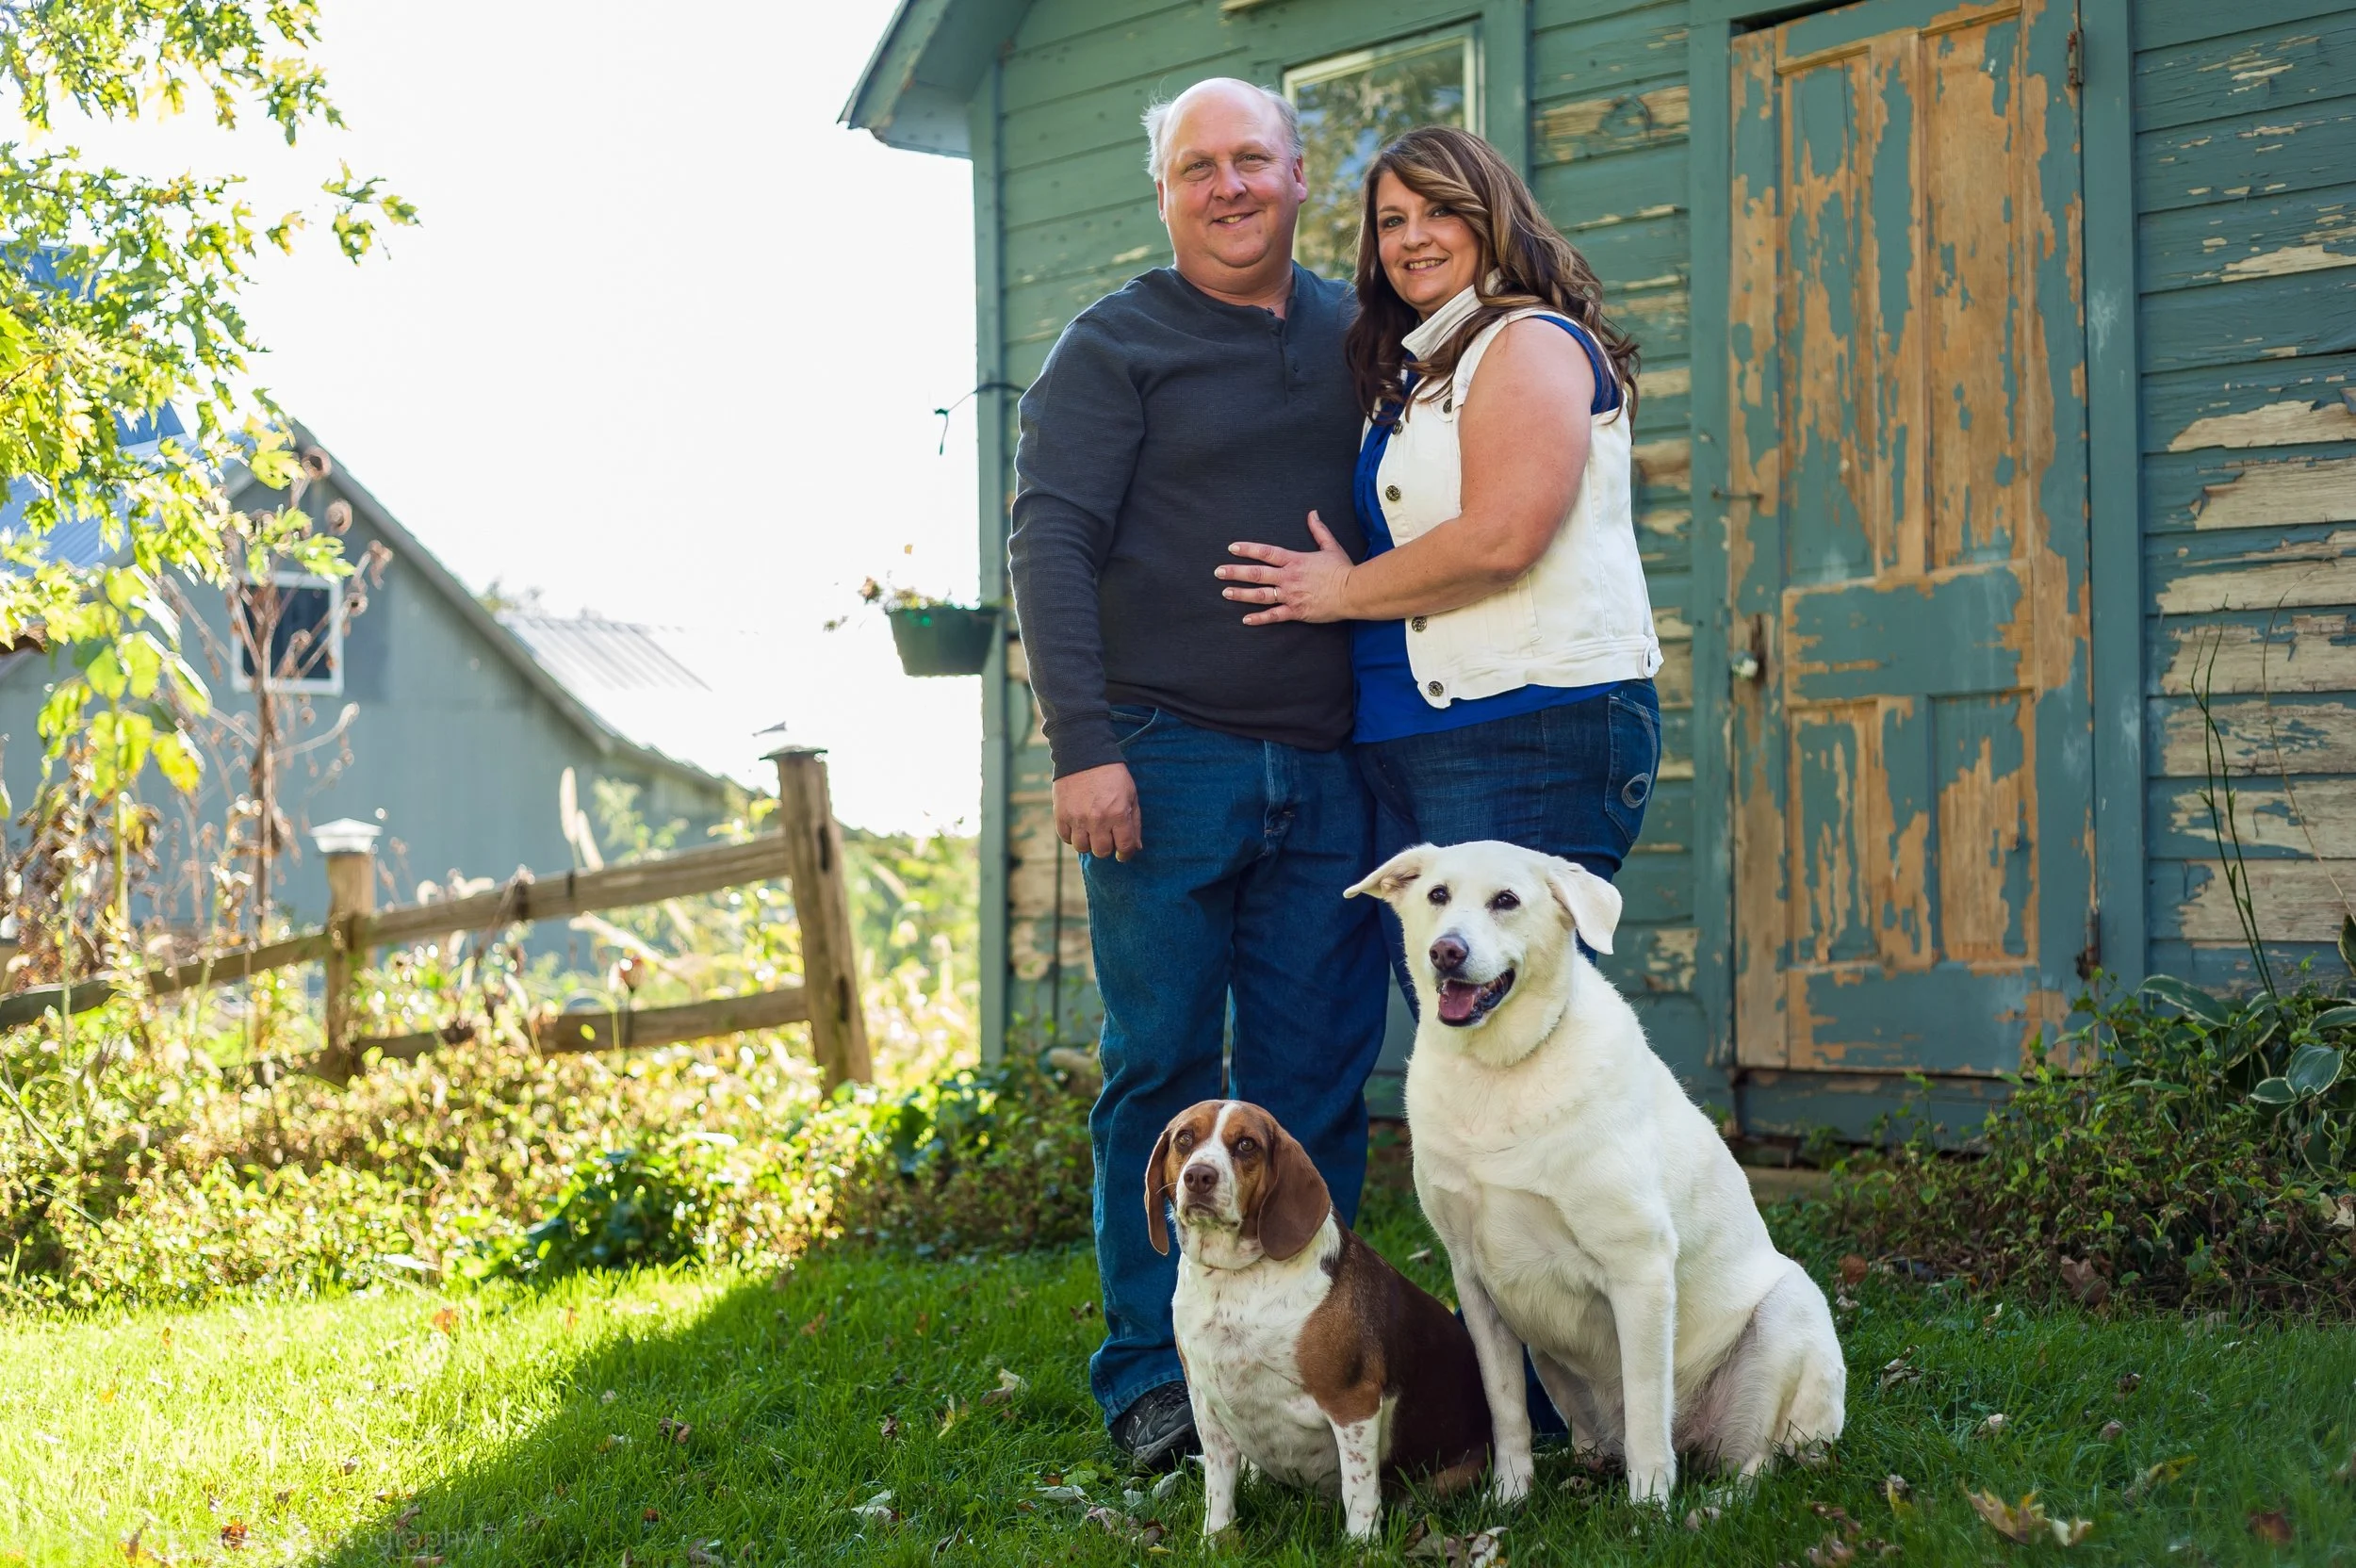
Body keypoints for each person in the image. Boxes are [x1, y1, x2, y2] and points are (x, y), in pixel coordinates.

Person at [1006, 77, 1391, 1470]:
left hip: (1333, 765)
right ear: (1163, 194)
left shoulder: (1364, 333)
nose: (1226, 186)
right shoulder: (1111, 348)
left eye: (1250, 160)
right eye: (1195, 168)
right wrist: (1085, 749)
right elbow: (1047, 547)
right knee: (1160, 1070)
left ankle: (1315, 1361)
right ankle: (1149, 1378)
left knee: (1316, 1087)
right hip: (1164, 762)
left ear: (1299, 176)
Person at [1217, 122, 1662, 936]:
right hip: (1409, 733)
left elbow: (1502, 539)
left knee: (1510, 1033)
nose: (1413, 238)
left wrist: (1340, 591)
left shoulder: (1525, 341)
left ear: (1491, 218)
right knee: (1458, 1025)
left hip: (1520, 725)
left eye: (1439, 211)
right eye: (1391, 221)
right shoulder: (1420, 368)